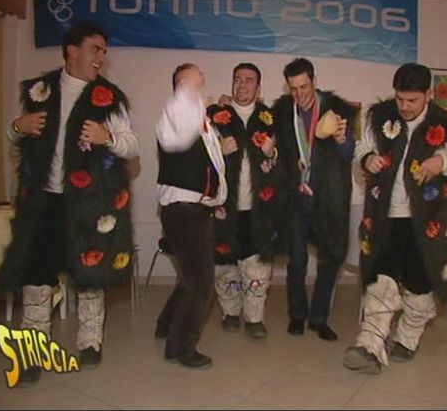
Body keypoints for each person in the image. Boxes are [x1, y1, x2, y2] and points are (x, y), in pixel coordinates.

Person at [0, 21, 139, 386]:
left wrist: (108, 137)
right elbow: (12, 134)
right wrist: (18, 126)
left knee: (90, 276)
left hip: (90, 205)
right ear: (72, 50)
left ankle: (90, 342)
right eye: (95, 49)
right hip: (44, 203)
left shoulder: (110, 98)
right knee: (36, 278)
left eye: (104, 51)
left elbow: (132, 146)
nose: (101, 57)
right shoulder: (39, 90)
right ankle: (31, 353)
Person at [343, 63, 447, 374]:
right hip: (385, 217)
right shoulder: (379, 117)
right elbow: (361, 147)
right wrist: (367, 158)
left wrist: (441, 161)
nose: (405, 106)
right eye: (400, 99)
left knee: (420, 285)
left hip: (427, 222)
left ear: (429, 94)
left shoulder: (446, 125)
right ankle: (369, 346)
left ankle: (407, 338)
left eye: (412, 100)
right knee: (380, 280)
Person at [272, 57, 357, 341]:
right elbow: (277, 152)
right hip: (296, 199)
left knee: (330, 258)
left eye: (304, 87)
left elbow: (348, 155)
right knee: (296, 260)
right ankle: (297, 315)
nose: (300, 94)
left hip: (328, 197)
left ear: (315, 82)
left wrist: (341, 140)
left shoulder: (339, 111)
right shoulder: (283, 113)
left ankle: (319, 319)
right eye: (294, 88)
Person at [153, 63, 227, 369]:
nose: (202, 84)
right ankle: (180, 348)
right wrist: (190, 95)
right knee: (201, 284)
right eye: (196, 81)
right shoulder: (177, 114)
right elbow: (179, 138)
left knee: (192, 277)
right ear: (182, 86)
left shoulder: (198, 120)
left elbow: (213, 166)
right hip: (184, 212)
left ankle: (166, 326)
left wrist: (216, 199)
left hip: (194, 210)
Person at [207, 63, 284, 338]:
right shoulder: (215, 117)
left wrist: (272, 153)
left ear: (258, 86)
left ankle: (254, 318)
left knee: (257, 269)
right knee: (225, 266)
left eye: (249, 80)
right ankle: (230, 312)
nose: (242, 85)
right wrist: (217, 150)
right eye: (237, 79)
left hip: (258, 209)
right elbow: (198, 160)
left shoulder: (270, 119)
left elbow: (288, 165)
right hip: (223, 208)